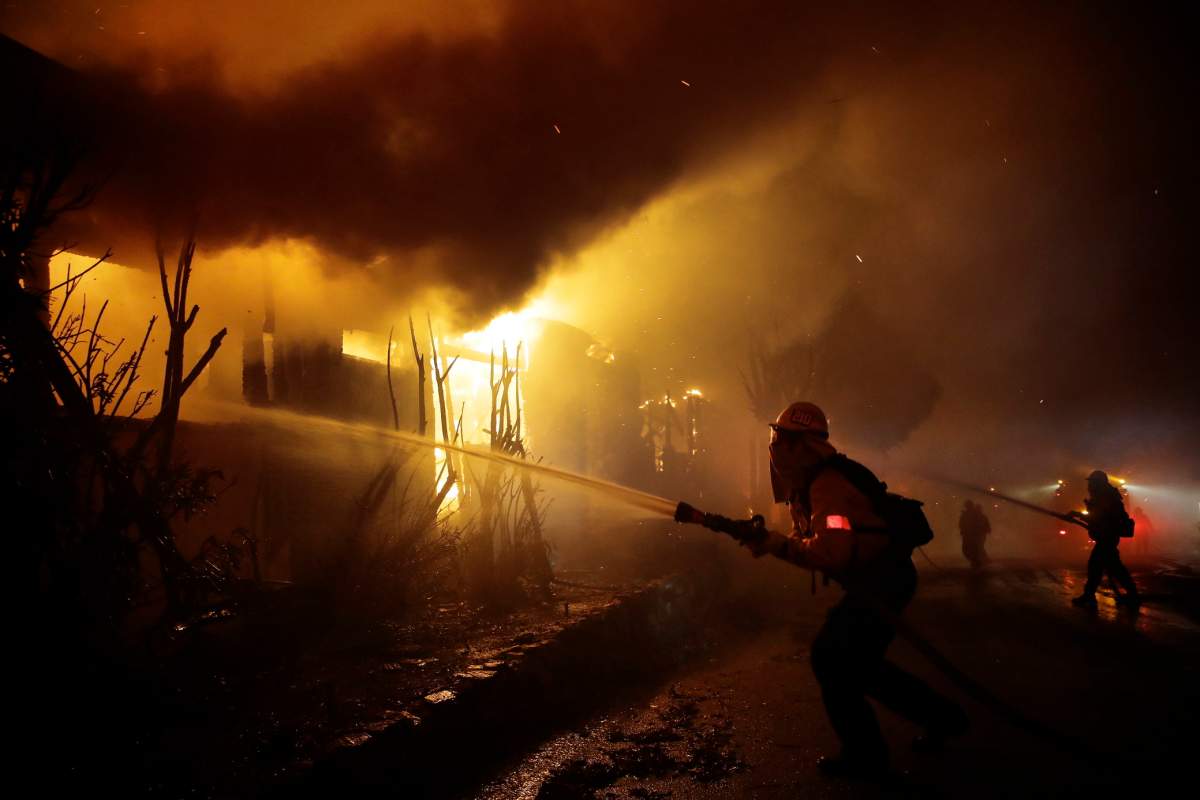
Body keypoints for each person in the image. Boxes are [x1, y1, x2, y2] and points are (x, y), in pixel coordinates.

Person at [748, 401, 968, 779]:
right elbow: (820, 537)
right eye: (776, 438)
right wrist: (771, 539)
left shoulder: (827, 485)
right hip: (882, 579)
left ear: (803, 445)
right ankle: (942, 719)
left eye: (782, 439)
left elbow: (831, 552)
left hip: (884, 581)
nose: (776, 447)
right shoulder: (815, 483)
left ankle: (867, 756)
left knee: (831, 658)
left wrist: (775, 545)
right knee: (859, 666)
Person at [1068, 470, 1140, 608]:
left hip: (1107, 536)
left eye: (1092, 482)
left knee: (1100, 566)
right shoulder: (1104, 495)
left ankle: (1090, 596)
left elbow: (1100, 518)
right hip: (1106, 536)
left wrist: (1077, 515)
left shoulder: (1105, 497)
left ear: (1098, 483)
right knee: (1109, 567)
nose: (1089, 485)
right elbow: (1098, 517)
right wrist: (1078, 516)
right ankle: (1131, 594)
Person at [958, 500, 992, 569]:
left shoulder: (975, 515)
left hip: (974, 535)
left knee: (975, 548)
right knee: (973, 548)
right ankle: (978, 561)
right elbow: (962, 524)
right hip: (970, 535)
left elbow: (980, 524)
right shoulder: (968, 514)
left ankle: (977, 561)